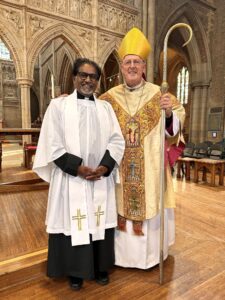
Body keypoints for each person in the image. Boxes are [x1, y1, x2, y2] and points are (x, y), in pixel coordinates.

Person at [33, 58, 125, 290]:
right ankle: (74, 270)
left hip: (99, 178)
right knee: (73, 221)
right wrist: (77, 168)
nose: (88, 80)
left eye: (93, 76)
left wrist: (104, 166)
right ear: (74, 77)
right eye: (83, 75)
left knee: (98, 219)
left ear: (98, 81)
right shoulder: (58, 106)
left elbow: (116, 141)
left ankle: (99, 267)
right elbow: (51, 142)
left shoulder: (105, 108)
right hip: (70, 177)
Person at [100, 28, 185, 269]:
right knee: (120, 205)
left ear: (144, 67)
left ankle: (149, 257)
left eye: (137, 62)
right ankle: (121, 257)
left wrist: (169, 113)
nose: (132, 66)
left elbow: (175, 128)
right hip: (120, 171)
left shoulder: (161, 95)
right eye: (128, 62)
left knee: (150, 203)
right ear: (122, 67)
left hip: (151, 169)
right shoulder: (108, 99)